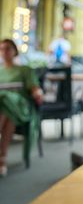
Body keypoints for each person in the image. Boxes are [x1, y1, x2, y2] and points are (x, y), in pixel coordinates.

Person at [0, 39, 43, 176]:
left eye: (7, 48)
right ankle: (2, 159)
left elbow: (35, 88)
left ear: (14, 51)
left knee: (6, 100)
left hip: (22, 106)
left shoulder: (24, 70)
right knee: (7, 110)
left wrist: (38, 93)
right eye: (1, 49)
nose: (4, 52)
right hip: (7, 111)